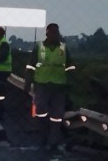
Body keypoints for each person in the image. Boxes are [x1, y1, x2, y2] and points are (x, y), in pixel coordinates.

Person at [24, 23, 76, 152]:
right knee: (41, 110)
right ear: (47, 33)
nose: (55, 35)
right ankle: (43, 137)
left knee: (57, 116)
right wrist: (27, 82)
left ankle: (53, 142)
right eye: (52, 32)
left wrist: (70, 81)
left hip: (59, 86)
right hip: (42, 84)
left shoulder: (63, 48)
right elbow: (31, 66)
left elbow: (70, 66)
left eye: (56, 32)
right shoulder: (39, 47)